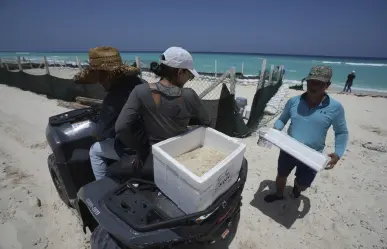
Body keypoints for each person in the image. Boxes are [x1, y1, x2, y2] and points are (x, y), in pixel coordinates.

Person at [264, 65, 349, 203]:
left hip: (312, 153)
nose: (313, 86)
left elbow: (341, 132)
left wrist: (338, 153)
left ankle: (297, 189)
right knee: (281, 174)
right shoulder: (293, 101)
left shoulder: (335, 108)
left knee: (303, 183)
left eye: (319, 83)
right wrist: (274, 130)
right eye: (311, 81)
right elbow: (282, 119)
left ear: (327, 85)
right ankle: (279, 194)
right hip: (288, 148)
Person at [115, 46, 211, 156]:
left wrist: (139, 150)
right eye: (189, 75)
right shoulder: (189, 95)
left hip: (154, 153)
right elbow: (206, 122)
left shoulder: (140, 91)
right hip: (180, 153)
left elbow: (121, 128)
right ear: (180, 72)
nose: (189, 79)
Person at [74, 46, 144, 180]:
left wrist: (98, 130)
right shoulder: (139, 82)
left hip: (133, 150)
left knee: (95, 150)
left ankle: (102, 188)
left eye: (99, 78)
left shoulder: (113, 99)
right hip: (151, 139)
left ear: (105, 75)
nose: (99, 83)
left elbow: (101, 134)